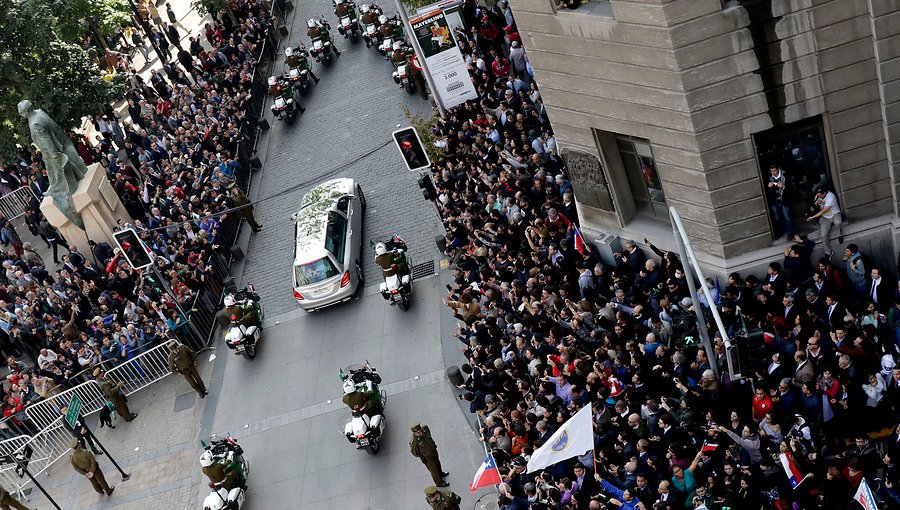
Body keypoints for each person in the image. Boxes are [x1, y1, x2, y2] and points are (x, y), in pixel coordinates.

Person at [805, 186, 843, 257]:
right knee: (823, 235)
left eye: (820, 195)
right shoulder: (817, 195)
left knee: (838, 223)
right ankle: (828, 252)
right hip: (825, 217)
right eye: (818, 194)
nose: (819, 196)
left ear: (824, 193)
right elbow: (814, 206)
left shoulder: (831, 197)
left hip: (834, 214)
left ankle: (839, 234)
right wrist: (811, 209)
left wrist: (812, 217)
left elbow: (823, 211)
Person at [766, 164, 794, 240]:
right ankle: (782, 231)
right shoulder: (769, 178)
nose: (772, 172)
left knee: (787, 217)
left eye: (774, 170)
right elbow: (767, 193)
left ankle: (790, 233)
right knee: (777, 218)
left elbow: (791, 190)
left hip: (784, 200)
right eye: (771, 171)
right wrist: (769, 187)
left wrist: (783, 187)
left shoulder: (785, 175)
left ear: (778, 169)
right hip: (775, 201)